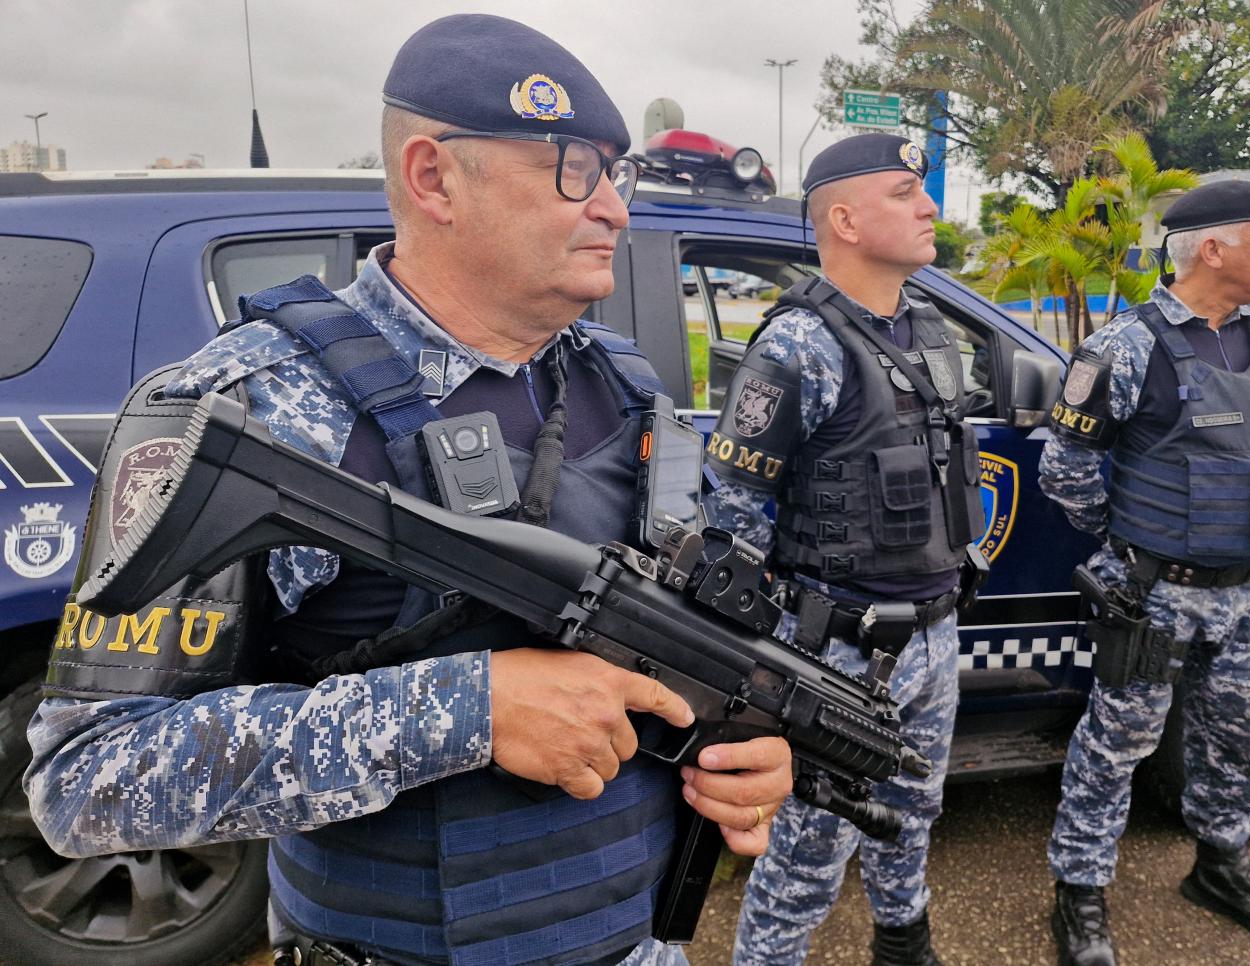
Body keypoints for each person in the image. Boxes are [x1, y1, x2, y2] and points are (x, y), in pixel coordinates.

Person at [26, 15, 792, 966]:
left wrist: (747, 756)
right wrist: (465, 712)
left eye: (616, 174)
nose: (615, 209)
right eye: (575, 169)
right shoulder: (246, 409)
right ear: (433, 177)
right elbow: (85, 779)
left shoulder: (625, 386)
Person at [707, 133, 983, 966]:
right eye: (905, 191)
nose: (929, 205)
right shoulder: (799, 346)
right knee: (806, 854)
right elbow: (734, 516)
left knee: (915, 812)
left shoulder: (929, 327)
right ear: (846, 218)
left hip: (933, 631)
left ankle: (904, 945)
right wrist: (763, 668)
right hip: (838, 652)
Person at [1040, 180, 1250, 965]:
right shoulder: (1124, 348)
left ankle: (1221, 868)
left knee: (1238, 739)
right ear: (1213, 249)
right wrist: (1136, 550)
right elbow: (1066, 472)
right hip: (1156, 594)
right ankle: (1080, 893)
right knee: (1116, 744)